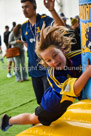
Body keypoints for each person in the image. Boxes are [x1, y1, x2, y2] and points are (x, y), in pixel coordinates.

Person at [1, 25, 91, 131]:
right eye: (48, 60)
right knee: (33, 118)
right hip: (52, 105)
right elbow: (75, 89)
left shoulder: (77, 56)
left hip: (63, 99)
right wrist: (87, 72)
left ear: (62, 49)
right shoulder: (53, 73)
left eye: (55, 55)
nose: (53, 61)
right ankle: (8, 121)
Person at [21, 0, 64, 104]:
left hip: (47, 70)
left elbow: (61, 27)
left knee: (50, 101)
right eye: (22, 7)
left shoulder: (44, 20)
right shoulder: (23, 26)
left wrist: (52, 10)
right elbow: (25, 42)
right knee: (40, 102)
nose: (24, 10)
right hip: (33, 70)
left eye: (26, 7)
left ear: (34, 7)